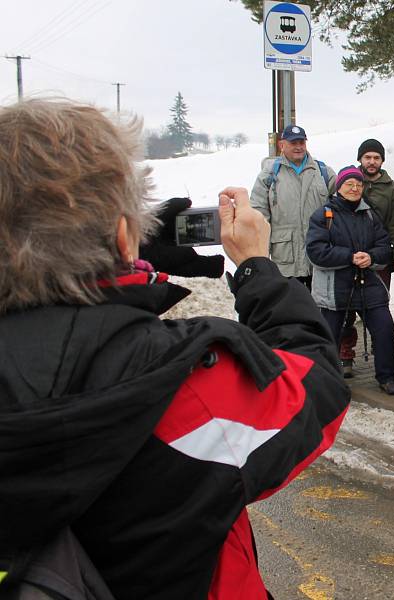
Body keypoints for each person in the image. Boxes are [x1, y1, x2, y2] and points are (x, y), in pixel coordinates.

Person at [0, 99, 350, 600]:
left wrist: (131, 251)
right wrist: (255, 268)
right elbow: (315, 390)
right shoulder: (178, 385)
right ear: (124, 233)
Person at [306, 166, 394, 395]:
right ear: (339, 187)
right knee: (329, 335)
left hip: (367, 283)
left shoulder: (370, 214)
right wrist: (349, 257)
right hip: (334, 287)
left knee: (384, 328)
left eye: (358, 184)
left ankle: (387, 376)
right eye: (349, 184)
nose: (355, 188)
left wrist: (371, 257)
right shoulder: (323, 215)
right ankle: (324, 380)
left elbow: (384, 247)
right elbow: (316, 251)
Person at [338, 139, 394, 378]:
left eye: (376, 157)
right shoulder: (347, 181)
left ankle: (384, 358)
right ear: (360, 159)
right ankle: (345, 354)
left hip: (378, 260)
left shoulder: (392, 190)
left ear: (382, 161)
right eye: (367, 157)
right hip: (347, 259)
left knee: (377, 311)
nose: (371, 161)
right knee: (345, 311)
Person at [250, 123, 336, 288]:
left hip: (319, 259)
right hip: (284, 262)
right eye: (293, 143)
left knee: (319, 311)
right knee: (289, 310)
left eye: (301, 143)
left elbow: (342, 204)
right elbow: (259, 218)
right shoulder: (269, 175)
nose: (298, 147)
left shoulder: (323, 172)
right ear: (282, 145)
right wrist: (260, 257)